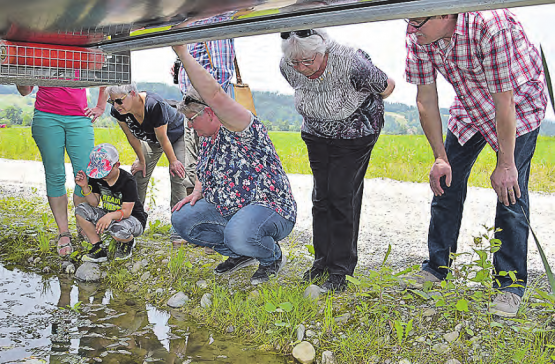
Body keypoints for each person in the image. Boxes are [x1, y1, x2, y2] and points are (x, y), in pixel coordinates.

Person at [404, 9, 547, 317]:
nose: (411, 28)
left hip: (517, 104)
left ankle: (509, 285)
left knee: (510, 192)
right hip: (470, 105)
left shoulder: (488, 25)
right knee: (446, 184)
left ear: (443, 13)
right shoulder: (417, 31)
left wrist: (506, 164)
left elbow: (503, 101)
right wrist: (440, 157)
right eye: (408, 21)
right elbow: (425, 99)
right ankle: (436, 269)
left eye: (417, 22)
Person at [170, 44, 297, 285]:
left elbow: (215, 94)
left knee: (239, 233)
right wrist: (198, 189)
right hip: (230, 208)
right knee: (182, 218)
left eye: (191, 119)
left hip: (270, 208)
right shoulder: (209, 137)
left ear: (210, 113)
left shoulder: (239, 127)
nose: (188, 126)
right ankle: (240, 254)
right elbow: (206, 168)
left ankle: (271, 256)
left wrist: (183, 53)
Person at [279, 29, 395, 292]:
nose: (302, 68)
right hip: (316, 132)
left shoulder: (351, 62)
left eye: (308, 61)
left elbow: (387, 86)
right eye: (296, 62)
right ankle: (321, 262)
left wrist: (350, 99)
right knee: (321, 198)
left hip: (355, 133)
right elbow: (302, 85)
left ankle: (341, 270)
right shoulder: (287, 66)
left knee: (342, 196)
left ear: (323, 51)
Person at [15, 85, 107, 256]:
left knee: (86, 175)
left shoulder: (82, 56)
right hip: (47, 116)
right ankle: (64, 233)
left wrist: (101, 105)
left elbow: (106, 69)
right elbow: (25, 90)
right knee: (55, 175)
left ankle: (83, 225)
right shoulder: (40, 56)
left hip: (80, 117)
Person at [170, 14, 236, 248]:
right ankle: (198, 226)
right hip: (194, 110)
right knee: (196, 168)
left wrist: (204, 107)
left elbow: (221, 73)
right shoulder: (190, 19)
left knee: (219, 171)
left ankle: (218, 231)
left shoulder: (211, 19)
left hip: (208, 112)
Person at [106, 83, 187, 218]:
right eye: (111, 101)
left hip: (176, 134)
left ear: (133, 94)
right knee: (139, 173)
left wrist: (173, 161)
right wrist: (141, 160)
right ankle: (134, 219)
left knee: (178, 174)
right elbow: (131, 136)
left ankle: (178, 224)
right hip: (153, 139)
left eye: (119, 101)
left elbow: (163, 138)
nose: (116, 106)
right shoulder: (118, 111)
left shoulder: (153, 105)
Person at [75, 143, 147, 262]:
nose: (102, 175)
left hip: (133, 219)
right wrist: (85, 187)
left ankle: (128, 242)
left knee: (116, 229)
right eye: (99, 171)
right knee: (81, 210)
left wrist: (109, 216)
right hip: (111, 215)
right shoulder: (97, 177)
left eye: (105, 171)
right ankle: (98, 248)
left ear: (116, 165)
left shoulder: (127, 181)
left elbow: (127, 212)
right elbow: (94, 203)